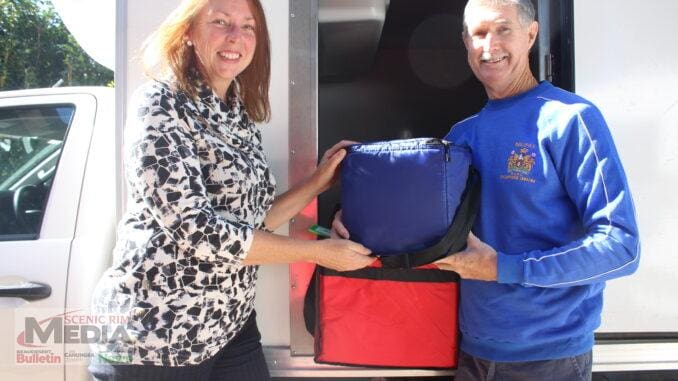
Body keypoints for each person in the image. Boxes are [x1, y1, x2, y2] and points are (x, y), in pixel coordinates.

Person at [332, 0, 639, 380]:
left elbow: (621, 248)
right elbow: (424, 229)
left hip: (549, 358)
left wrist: (502, 268)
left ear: (531, 34)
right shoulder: (462, 135)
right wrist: (356, 227)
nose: (489, 45)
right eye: (478, 33)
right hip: (472, 352)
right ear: (465, 42)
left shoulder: (571, 119)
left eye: (503, 29)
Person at [88, 0, 373, 379]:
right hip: (158, 336)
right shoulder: (161, 104)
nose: (235, 37)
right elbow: (197, 231)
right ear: (188, 32)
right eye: (220, 22)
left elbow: (253, 222)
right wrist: (319, 253)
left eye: (248, 26)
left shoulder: (238, 115)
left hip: (228, 324)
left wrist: (318, 181)